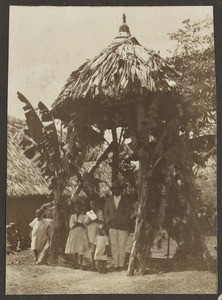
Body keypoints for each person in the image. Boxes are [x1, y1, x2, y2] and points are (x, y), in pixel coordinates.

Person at [104, 180, 131, 271]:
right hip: (112, 226)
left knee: (121, 246)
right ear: (112, 190)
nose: (115, 191)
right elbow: (106, 213)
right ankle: (115, 265)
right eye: (114, 189)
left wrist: (120, 222)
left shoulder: (126, 200)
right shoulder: (109, 200)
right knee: (114, 246)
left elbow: (128, 213)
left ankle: (121, 265)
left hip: (122, 227)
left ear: (120, 190)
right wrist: (110, 222)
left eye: (117, 189)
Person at [65, 201, 89, 270]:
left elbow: (85, 225)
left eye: (79, 207)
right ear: (75, 208)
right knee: (74, 248)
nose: (78, 209)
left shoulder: (84, 216)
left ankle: (81, 264)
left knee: (80, 249)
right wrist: (76, 224)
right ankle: (75, 264)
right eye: (76, 207)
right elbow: (70, 225)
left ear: (81, 208)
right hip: (74, 233)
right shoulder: (72, 216)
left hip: (81, 234)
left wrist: (80, 224)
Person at [84, 200, 104, 270]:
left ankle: (99, 265)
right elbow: (85, 223)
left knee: (99, 247)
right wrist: (93, 220)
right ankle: (93, 265)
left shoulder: (100, 212)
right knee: (92, 248)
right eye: (92, 204)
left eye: (95, 204)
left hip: (98, 231)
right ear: (90, 205)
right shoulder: (89, 213)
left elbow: (101, 221)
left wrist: (96, 220)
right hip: (91, 231)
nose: (93, 205)